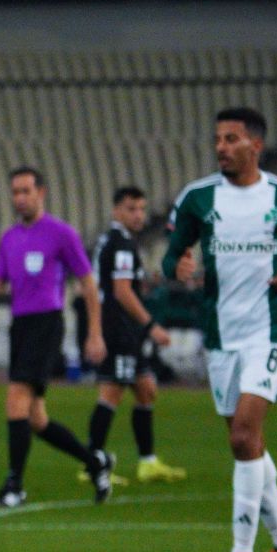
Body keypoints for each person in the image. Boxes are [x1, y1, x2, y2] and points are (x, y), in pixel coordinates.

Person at [162, 108, 277, 552]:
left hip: (270, 332)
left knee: (243, 435)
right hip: (220, 337)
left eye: (231, 139)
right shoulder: (197, 198)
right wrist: (179, 265)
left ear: (255, 144)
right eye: (217, 139)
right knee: (246, 446)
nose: (221, 147)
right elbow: (172, 257)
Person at [0, 168, 112, 508]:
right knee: (36, 419)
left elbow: (88, 283)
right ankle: (95, 463)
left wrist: (95, 332)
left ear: (41, 193)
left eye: (26, 191)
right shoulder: (9, 238)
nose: (20, 198)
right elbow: (0, 285)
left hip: (47, 324)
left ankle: (14, 485)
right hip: (20, 325)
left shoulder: (61, 234)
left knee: (15, 397)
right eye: (15, 192)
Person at [85, 187, 185, 483]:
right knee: (111, 393)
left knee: (146, 389)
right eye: (131, 209)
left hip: (123, 329)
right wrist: (151, 326)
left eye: (142, 208)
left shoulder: (116, 241)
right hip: (117, 329)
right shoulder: (121, 245)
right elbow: (122, 291)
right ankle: (91, 462)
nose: (139, 215)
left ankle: (147, 461)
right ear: (116, 211)